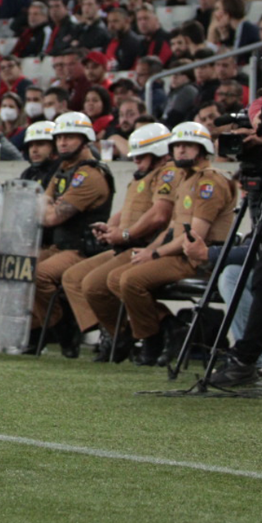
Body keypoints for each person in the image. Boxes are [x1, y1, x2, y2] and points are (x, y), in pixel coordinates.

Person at [91, 121, 236, 367]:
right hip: (179, 253)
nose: (180, 150)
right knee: (116, 278)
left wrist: (155, 253)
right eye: (177, 145)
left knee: (129, 280)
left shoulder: (209, 182)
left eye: (188, 145)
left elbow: (195, 237)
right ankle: (166, 329)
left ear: (202, 148)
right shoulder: (188, 179)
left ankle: (152, 337)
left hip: (199, 259)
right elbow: (172, 227)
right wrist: (149, 251)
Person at [63, 123, 180, 362]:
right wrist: (111, 228)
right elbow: (129, 209)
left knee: (103, 282)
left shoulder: (168, 173)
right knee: (75, 278)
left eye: (141, 156)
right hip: (126, 243)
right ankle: (119, 333)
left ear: (158, 152)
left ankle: (151, 333)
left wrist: (124, 235)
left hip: (143, 245)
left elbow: (159, 216)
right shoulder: (144, 175)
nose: (135, 161)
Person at [30, 112, 114, 357]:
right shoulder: (65, 170)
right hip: (60, 247)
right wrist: (46, 205)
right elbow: (43, 205)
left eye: (70, 137)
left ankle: (62, 326)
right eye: (59, 137)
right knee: (21, 266)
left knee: (38, 274)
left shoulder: (89, 175)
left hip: (81, 250)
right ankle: (46, 328)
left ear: (86, 138)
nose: (63, 142)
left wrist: (47, 205)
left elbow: (51, 216)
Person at [19, 121, 58, 188]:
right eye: (31, 145)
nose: (34, 150)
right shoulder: (28, 173)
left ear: (55, 147)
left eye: (40, 144)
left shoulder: (61, 172)